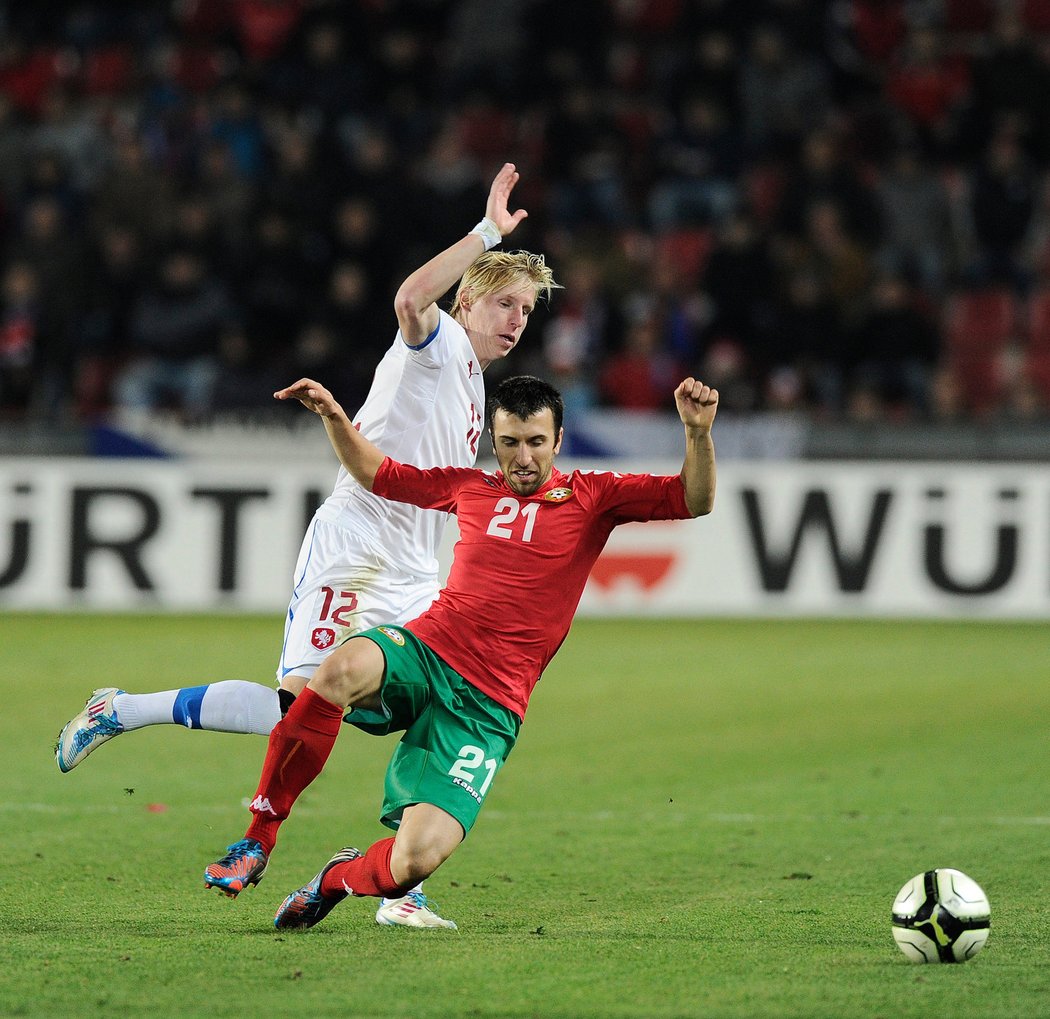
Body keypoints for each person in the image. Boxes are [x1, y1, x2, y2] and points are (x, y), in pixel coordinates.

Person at [55, 162, 559, 929]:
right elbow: (407, 299)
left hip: (418, 569)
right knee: (298, 704)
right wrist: (486, 232)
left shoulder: (474, 384)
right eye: (503, 301)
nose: (516, 318)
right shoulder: (438, 342)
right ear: (468, 299)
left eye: (526, 308)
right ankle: (121, 709)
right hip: (356, 548)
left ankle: (403, 885)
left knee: (430, 704)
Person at [202, 370, 717, 932]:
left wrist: (696, 434)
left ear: (558, 440)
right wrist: (333, 416)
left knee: (413, 860)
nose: (523, 457)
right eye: (510, 443)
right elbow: (379, 473)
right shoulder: (471, 489)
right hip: (427, 650)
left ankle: (334, 879)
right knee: (341, 667)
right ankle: (257, 839)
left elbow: (692, 499)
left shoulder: (595, 496)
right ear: (492, 442)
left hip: (490, 705)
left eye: (536, 442)